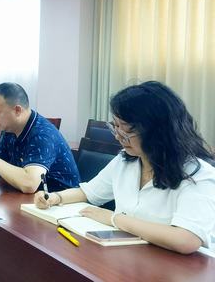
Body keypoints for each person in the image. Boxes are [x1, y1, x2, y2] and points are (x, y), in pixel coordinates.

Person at [33, 81, 215, 254]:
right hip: (133, 255)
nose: (118, 136)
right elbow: (89, 193)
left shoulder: (197, 174)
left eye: (127, 130)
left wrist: (114, 219)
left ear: (157, 130)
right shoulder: (126, 160)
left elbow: (186, 239)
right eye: (116, 126)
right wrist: (55, 197)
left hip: (184, 266)